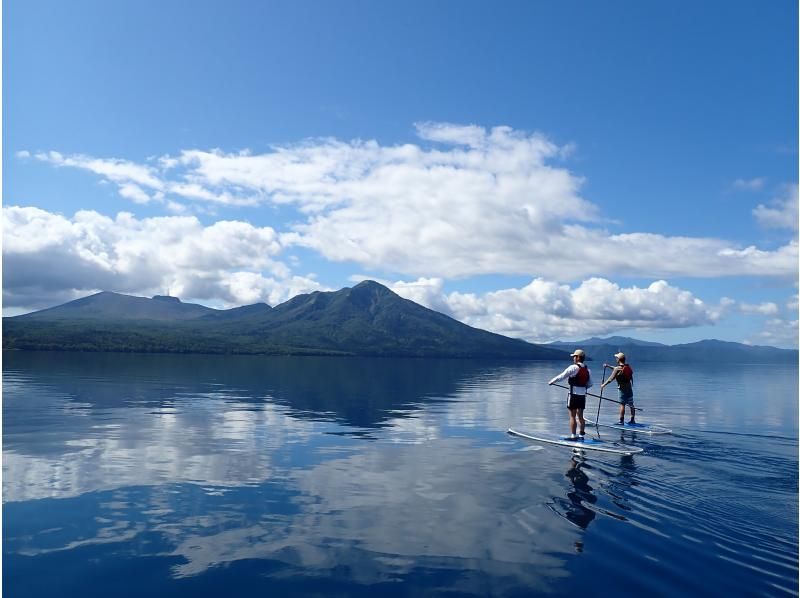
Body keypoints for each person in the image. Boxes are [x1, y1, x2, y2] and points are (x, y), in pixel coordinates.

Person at [549, 349, 592, 440]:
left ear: (578, 357)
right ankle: (581, 435)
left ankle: (573, 435)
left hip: (573, 395)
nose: (573, 358)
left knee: (572, 416)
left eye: (574, 356)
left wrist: (552, 381)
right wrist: (583, 389)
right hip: (582, 396)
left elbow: (561, 376)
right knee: (580, 416)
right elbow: (590, 384)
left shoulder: (573, 367)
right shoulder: (588, 370)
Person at [601, 352, 635, 425]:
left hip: (622, 390)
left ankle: (621, 421)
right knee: (631, 404)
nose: (615, 359)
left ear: (618, 359)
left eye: (616, 358)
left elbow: (611, 378)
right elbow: (616, 369)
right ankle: (633, 420)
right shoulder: (627, 367)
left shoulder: (617, 369)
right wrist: (608, 366)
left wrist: (603, 385)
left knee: (622, 405)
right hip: (629, 389)